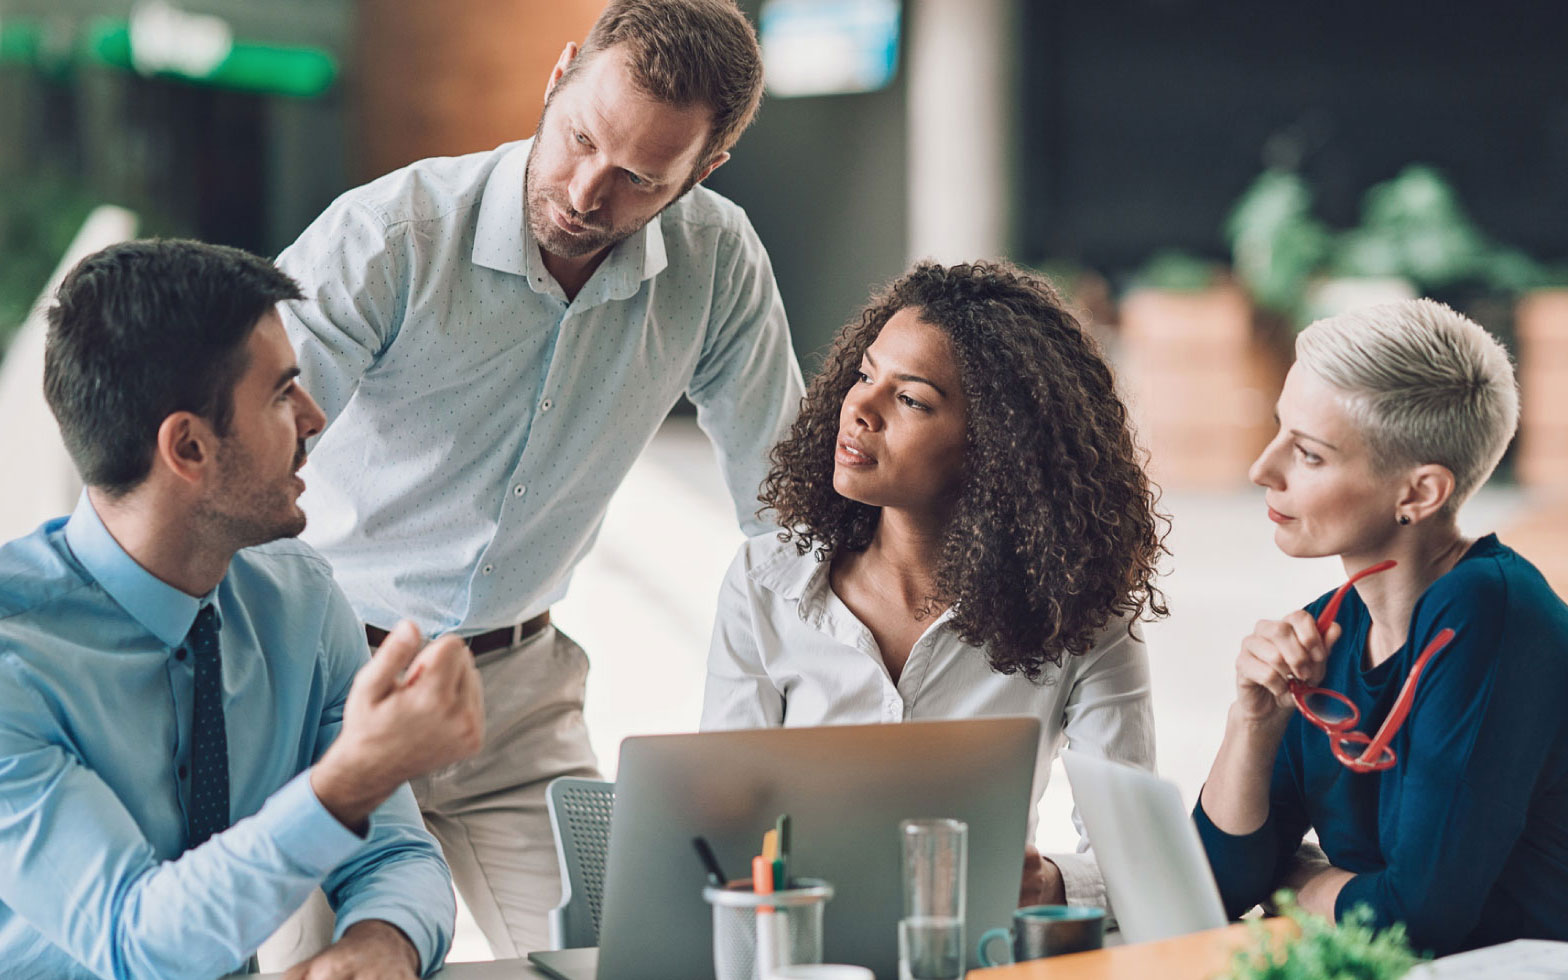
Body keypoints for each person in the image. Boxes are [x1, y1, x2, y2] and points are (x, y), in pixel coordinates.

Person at [271, 0, 804, 957]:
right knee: (317, 971)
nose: (586, 194)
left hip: (518, 708)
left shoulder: (718, 262)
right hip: (324, 687)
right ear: (558, 78)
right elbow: (239, 461)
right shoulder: (390, 236)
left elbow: (788, 514)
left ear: (704, 171)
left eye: (640, 178)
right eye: (581, 139)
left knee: (626, 963)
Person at [0, 240, 487, 980]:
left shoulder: (300, 601)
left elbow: (394, 853)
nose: (315, 417)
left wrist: (382, 943)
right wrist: (349, 779)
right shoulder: (14, 660)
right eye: (282, 394)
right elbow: (137, 941)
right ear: (189, 447)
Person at [701, 261, 1169, 910]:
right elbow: (718, 830)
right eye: (865, 375)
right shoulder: (764, 582)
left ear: (997, 447)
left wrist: (1053, 885)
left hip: (975, 950)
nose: (859, 408)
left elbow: (1139, 855)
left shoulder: (1082, 611)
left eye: (911, 399)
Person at [1195, 299, 1568, 954]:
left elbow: (1413, 918)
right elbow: (1213, 889)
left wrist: (1298, 878)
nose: (1262, 469)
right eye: (1280, 430)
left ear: (1419, 493)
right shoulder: (1329, 629)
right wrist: (1254, 724)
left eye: (1309, 455)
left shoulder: (1488, 610)